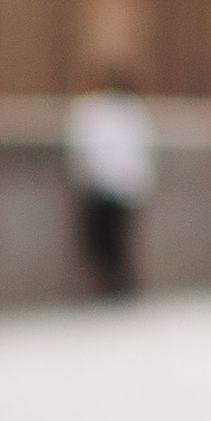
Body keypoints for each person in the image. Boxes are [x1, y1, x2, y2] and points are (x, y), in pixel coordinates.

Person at [64, 70, 155, 297]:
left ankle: (113, 283)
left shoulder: (94, 109)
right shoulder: (124, 109)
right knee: (109, 237)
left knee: (110, 238)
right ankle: (112, 282)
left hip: (109, 183)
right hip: (114, 183)